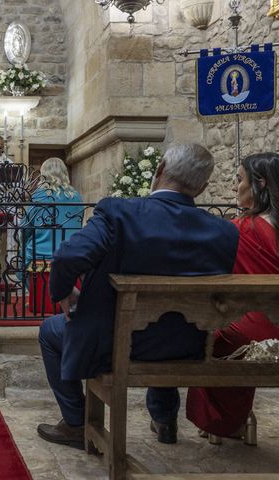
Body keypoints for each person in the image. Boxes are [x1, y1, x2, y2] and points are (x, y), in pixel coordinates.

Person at [36, 143, 239, 450]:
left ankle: (76, 424)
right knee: (169, 323)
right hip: (187, 345)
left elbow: (68, 258)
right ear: (202, 187)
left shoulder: (120, 213)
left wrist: (64, 292)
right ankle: (164, 418)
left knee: (50, 331)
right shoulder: (224, 231)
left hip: (113, 344)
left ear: (159, 170)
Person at [186, 152, 279, 437]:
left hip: (256, 328)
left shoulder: (242, 229)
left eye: (239, 180)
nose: (233, 187)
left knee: (212, 335)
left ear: (260, 184)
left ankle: (226, 422)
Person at [23, 158, 83, 264]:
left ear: (44, 174)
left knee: (24, 248)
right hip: (71, 250)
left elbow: (25, 226)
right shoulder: (76, 196)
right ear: (64, 173)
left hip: (40, 252)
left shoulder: (39, 195)